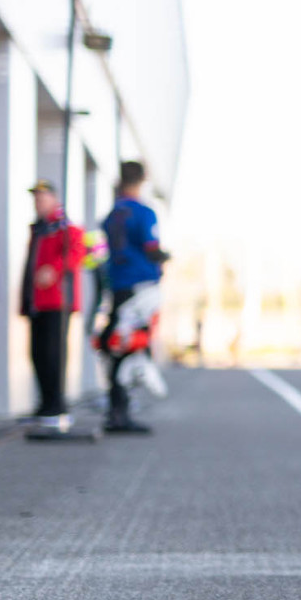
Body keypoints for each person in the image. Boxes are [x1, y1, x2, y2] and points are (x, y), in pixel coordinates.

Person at [97, 161, 167, 434]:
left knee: (117, 343)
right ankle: (120, 411)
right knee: (130, 344)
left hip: (117, 284)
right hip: (140, 287)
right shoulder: (144, 212)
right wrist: (164, 258)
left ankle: (118, 408)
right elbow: (151, 247)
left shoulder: (112, 214)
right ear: (142, 180)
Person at [21, 180, 85, 422]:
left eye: (42, 198)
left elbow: (77, 253)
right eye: (35, 199)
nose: (38, 203)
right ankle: (46, 402)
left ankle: (56, 404)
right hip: (36, 302)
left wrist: (54, 269)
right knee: (37, 353)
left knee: (53, 353)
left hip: (57, 301)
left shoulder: (66, 229)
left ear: (54, 199)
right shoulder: (38, 230)